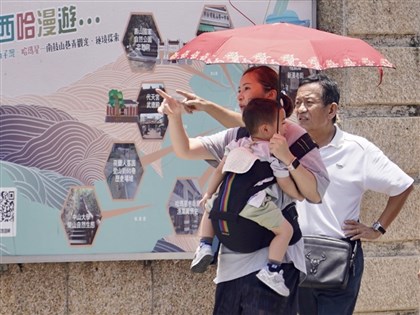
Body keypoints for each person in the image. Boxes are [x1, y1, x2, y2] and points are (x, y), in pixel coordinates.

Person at [156, 65, 330, 315]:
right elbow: (185, 150)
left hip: (275, 262)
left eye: (247, 89)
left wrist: (288, 158)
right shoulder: (236, 137)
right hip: (231, 262)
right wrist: (175, 117)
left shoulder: (295, 137)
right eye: (238, 89)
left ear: (271, 94)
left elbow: (313, 194)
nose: (239, 95)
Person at [293, 73, 414, 315]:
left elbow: (402, 185)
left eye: (309, 102)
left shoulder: (357, 149)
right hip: (295, 255)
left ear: (331, 109)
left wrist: (378, 228)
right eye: (297, 103)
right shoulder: (289, 145)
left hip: (338, 259)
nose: (301, 109)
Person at [194, 98, 304, 297]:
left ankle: (204, 245)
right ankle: (272, 270)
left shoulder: (237, 144)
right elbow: (284, 182)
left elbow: (220, 170)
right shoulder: (273, 152)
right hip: (255, 204)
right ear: (265, 129)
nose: (287, 124)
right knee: (285, 232)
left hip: (224, 200)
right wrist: (298, 194)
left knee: (210, 210)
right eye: (282, 121)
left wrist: (209, 193)